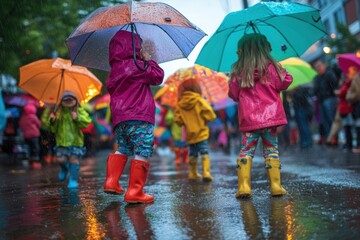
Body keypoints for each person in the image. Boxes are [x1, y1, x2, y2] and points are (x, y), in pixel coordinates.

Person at [228, 33, 293, 198]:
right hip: (270, 120)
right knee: (271, 150)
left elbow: (234, 94)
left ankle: (244, 186)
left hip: (249, 120)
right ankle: (276, 186)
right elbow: (285, 82)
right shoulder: (271, 67)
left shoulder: (238, 71)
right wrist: (282, 70)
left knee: (246, 151)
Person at [103, 30, 164, 204]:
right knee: (142, 150)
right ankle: (135, 191)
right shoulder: (138, 65)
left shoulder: (114, 70)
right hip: (139, 115)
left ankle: (111, 182)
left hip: (120, 119)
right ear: (135, 48)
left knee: (123, 147)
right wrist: (149, 59)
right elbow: (158, 77)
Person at [42, 91, 91, 189]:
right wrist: (52, 120)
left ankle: (73, 179)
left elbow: (86, 123)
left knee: (74, 159)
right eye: (65, 99)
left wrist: (77, 118)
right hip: (61, 142)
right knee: (61, 159)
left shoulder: (79, 110)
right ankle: (64, 169)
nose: (68, 101)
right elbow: (52, 129)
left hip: (76, 142)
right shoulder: (58, 112)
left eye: (71, 99)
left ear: (75, 100)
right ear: (61, 101)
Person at [174, 78, 216, 181]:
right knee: (204, 151)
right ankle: (206, 173)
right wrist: (204, 118)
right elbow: (211, 115)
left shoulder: (180, 104)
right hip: (201, 132)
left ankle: (192, 173)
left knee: (192, 152)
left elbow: (178, 121)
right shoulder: (200, 100)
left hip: (190, 134)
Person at [313, 59, 339, 143]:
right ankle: (329, 137)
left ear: (324, 66)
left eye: (320, 66)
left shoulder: (329, 74)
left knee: (331, 119)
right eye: (317, 67)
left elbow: (335, 86)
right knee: (324, 121)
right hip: (321, 100)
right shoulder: (317, 78)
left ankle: (334, 138)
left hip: (329, 99)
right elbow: (315, 89)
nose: (318, 68)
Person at [335, 66, 358, 151]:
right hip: (344, 107)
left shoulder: (352, 82)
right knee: (346, 126)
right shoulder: (347, 82)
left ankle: (350, 144)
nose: (348, 73)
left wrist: (339, 92)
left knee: (349, 126)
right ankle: (348, 144)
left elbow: (344, 92)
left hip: (347, 106)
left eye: (351, 72)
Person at [18, 104, 42, 168]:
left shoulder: (23, 117)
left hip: (26, 136)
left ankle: (30, 160)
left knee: (29, 148)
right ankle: (35, 162)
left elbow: (21, 125)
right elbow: (39, 124)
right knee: (36, 148)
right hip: (34, 135)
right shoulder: (33, 116)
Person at [346, 72, 360, 153]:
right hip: (357, 104)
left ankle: (358, 146)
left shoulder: (356, 78)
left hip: (358, 104)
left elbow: (357, 93)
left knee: (358, 126)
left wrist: (349, 97)